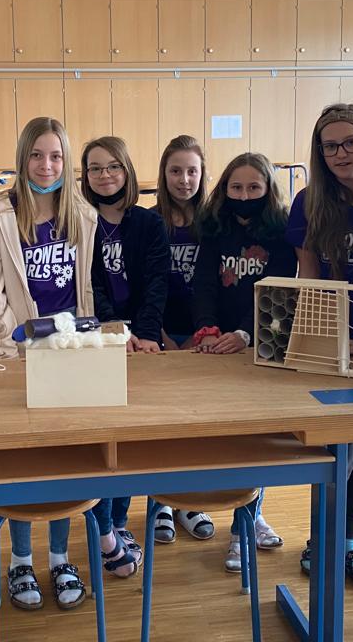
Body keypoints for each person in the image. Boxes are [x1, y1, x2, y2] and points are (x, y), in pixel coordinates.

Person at [0, 117, 96, 611]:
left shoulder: (82, 213)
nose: (46, 165)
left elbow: (85, 287)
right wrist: (12, 345)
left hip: (69, 352)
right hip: (20, 353)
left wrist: (79, 341)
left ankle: (60, 557)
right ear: (23, 157)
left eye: (56, 156)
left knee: (65, 457)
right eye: (36, 155)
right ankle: (20, 560)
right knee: (23, 460)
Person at [287, 104, 353, 592]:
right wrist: (320, 342)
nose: (341, 153)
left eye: (351, 141)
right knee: (336, 449)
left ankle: (350, 540)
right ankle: (321, 538)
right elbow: (309, 277)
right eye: (330, 146)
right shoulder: (310, 202)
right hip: (333, 343)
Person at [192, 151, 297, 572]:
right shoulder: (214, 227)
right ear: (225, 189)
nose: (245, 195)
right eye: (236, 187)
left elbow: (280, 290)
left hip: (259, 345)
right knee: (222, 440)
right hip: (216, 346)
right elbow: (203, 283)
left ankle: (245, 525)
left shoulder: (281, 232)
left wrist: (245, 334)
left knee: (256, 442)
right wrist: (207, 329)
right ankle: (237, 512)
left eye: (254, 187)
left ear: (268, 189)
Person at [81, 135, 169, 576]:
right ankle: (102, 529)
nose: (105, 175)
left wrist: (145, 332)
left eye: (113, 166)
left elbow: (157, 281)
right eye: (95, 168)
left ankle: (117, 522)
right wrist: (116, 331)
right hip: (100, 339)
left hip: (142, 341)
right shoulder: (79, 221)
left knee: (131, 440)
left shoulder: (149, 223)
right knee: (102, 440)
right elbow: (88, 285)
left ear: (127, 170)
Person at [150, 134, 215, 544]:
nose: (184, 179)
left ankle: (190, 500)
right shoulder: (149, 221)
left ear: (202, 174)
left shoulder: (214, 222)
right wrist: (159, 336)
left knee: (195, 424)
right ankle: (159, 502)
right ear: (164, 174)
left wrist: (200, 335)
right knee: (159, 425)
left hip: (202, 336)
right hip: (160, 334)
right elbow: (143, 288)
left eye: (192, 171)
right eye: (176, 171)